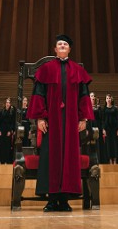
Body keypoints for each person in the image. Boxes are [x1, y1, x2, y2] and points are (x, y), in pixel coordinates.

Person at [27, 34, 93, 213]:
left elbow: (84, 96)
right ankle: (51, 200)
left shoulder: (77, 70)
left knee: (69, 158)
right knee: (51, 159)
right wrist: (40, 117)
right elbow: (39, 94)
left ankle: (64, 200)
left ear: (69, 49)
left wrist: (83, 118)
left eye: (65, 44)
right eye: (59, 44)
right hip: (51, 122)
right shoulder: (47, 68)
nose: (62, 46)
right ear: (55, 49)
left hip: (71, 121)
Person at [101, 94, 118, 164]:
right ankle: (110, 159)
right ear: (105, 100)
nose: (108, 99)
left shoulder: (115, 108)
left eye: (109, 98)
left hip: (114, 129)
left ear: (111, 99)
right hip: (107, 129)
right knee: (108, 144)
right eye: (107, 98)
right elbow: (102, 120)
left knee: (114, 144)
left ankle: (115, 159)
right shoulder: (104, 109)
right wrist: (103, 129)